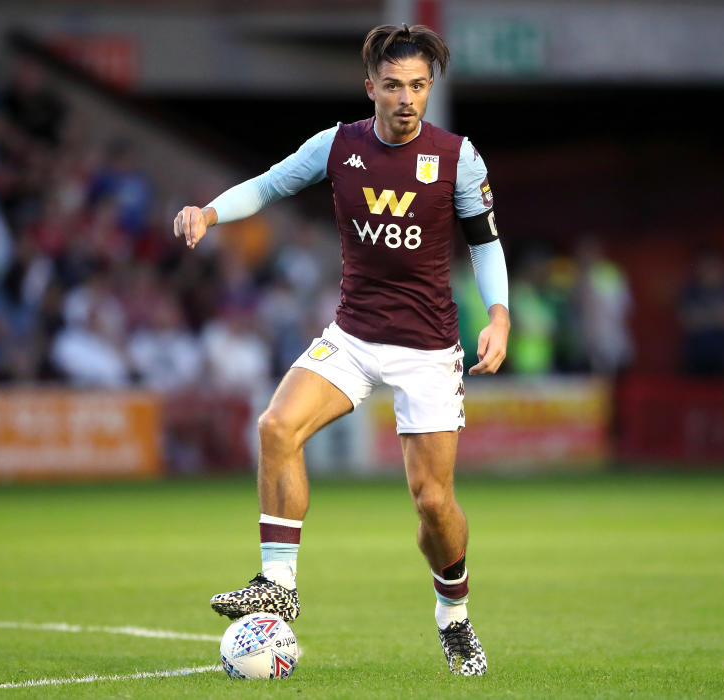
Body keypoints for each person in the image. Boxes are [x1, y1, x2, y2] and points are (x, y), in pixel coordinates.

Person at [174, 24, 509, 677]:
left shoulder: (459, 157)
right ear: (371, 89)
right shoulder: (338, 145)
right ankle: (280, 584)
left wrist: (498, 315)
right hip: (353, 335)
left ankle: (455, 617)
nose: (407, 98)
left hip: (428, 349)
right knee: (276, 427)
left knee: (433, 503)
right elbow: (269, 185)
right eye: (394, 86)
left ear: (429, 88)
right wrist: (210, 213)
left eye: (418, 86)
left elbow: (485, 241)